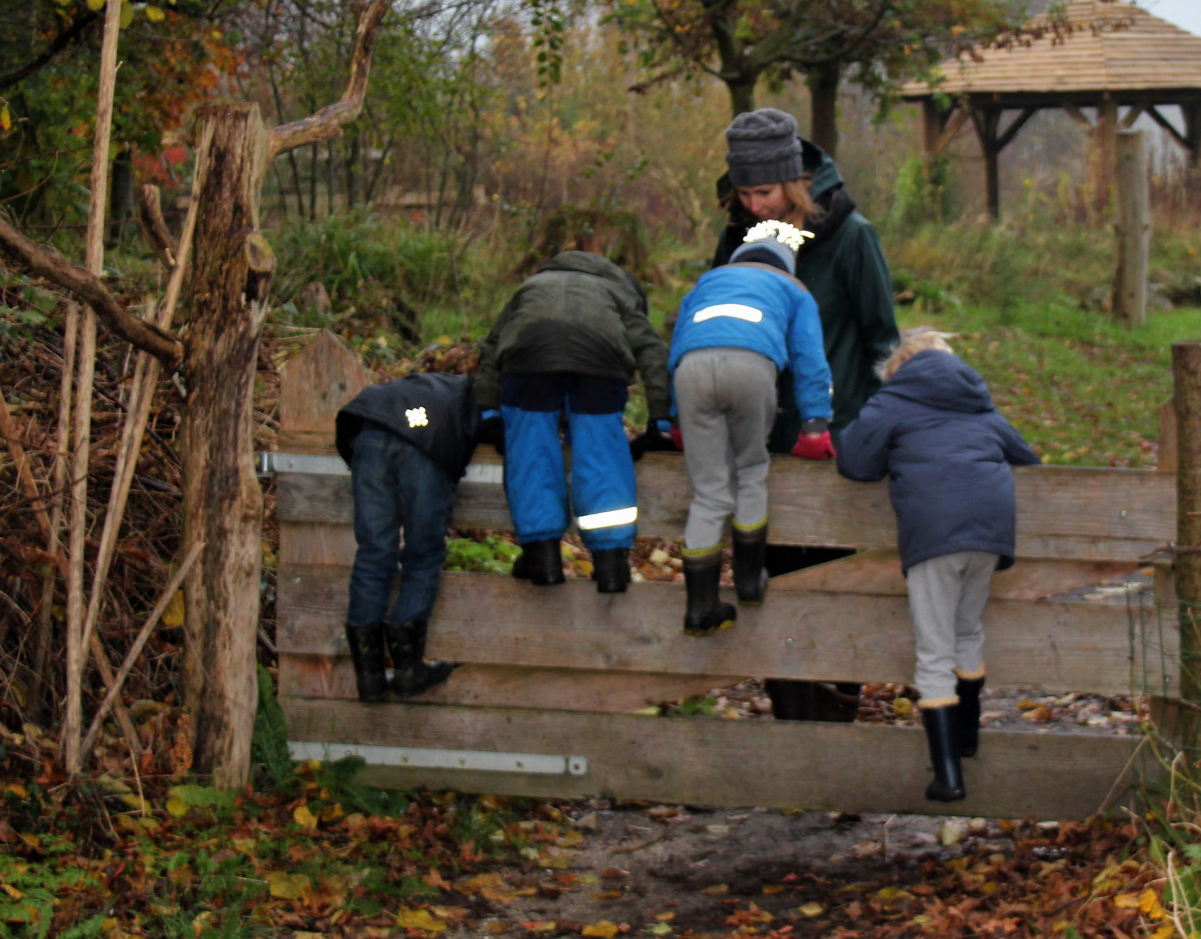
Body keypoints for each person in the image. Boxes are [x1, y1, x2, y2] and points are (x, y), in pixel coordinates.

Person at [711, 108, 899, 720]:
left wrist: (881, 428)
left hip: (833, 442)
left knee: (835, 585)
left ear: (794, 182)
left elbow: (882, 342)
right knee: (769, 579)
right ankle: (792, 729)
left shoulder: (851, 237)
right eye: (743, 192)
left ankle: (836, 726)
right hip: (759, 440)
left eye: (763, 191)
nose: (754, 204)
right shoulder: (741, 238)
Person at [835, 329, 1040, 802]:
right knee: (966, 631)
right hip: (989, 533)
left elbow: (855, 461)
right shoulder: (979, 405)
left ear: (899, 370)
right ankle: (966, 739)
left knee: (933, 649)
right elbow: (1027, 458)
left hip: (934, 534)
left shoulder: (894, 402)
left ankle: (948, 776)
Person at [668, 219, 836, 635]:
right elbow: (810, 360)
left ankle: (700, 607)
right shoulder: (793, 289)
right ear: (786, 264)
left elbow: (675, 347)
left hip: (691, 371)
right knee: (750, 471)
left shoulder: (705, 283)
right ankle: (748, 583)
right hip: (751, 367)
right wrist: (815, 423)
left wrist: (675, 416)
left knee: (709, 492)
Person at [475, 250, 670, 593]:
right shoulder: (619, 292)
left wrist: (488, 411)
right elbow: (652, 352)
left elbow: (491, 349)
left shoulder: (532, 285)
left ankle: (542, 556)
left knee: (531, 452)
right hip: (599, 364)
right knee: (601, 453)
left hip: (528, 360)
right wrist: (661, 418)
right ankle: (611, 564)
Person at [335, 371, 485, 702]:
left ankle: (369, 678)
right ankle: (407, 670)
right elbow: (500, 431)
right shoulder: (477, 392)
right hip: (421, 445)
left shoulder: (420, 386)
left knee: (374, 553)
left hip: (369, 434)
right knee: (423, 554)